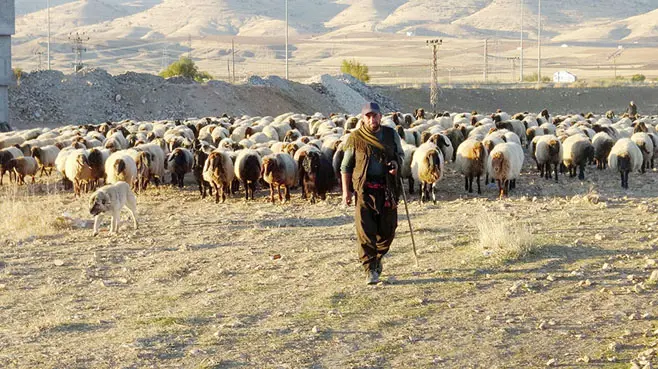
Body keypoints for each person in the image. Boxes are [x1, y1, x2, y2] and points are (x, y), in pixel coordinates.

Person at [341, 102, 404, 285]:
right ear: (363, 118)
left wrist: (396, 165)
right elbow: (345, 166)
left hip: (387, 189)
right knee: (365, 232)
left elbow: (400, 155)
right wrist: (347, 191)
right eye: (367, 116)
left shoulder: (391, 135)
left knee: (388, 231)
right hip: (364, 190)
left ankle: (377, 257)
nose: (371, 119)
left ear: (380, 116)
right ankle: (369, 269)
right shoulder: (355, 138)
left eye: (374, 115)